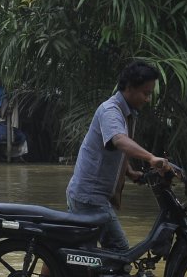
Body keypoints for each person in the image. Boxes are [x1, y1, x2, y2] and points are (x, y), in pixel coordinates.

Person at [66, 60, 170, 251]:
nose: (148, 99)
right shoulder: (111, 111)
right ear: (129, 88)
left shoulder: (126, 112)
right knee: (118, 248)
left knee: (80, 248)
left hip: (91, 195)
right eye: (145, 93)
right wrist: (151, 158)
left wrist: (130, 172)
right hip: (90, 197)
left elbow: (113, 151)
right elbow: (119, 141)